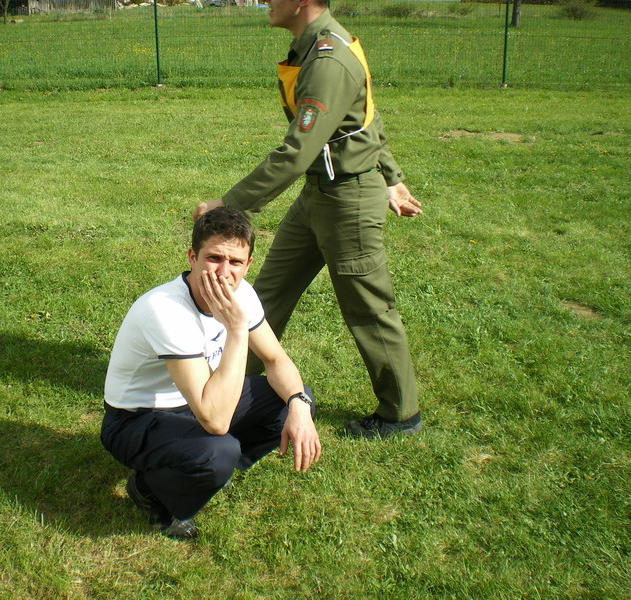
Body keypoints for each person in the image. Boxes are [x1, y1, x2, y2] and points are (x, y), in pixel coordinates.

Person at [192, 0, 422, 440]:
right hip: (318, 194)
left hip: (348, 201)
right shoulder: (314, 48)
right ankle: (229, 388)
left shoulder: (329, 59)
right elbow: (365, 117)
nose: (266, 1)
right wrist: (392, 177)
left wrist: (229, 206)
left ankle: (400, 413)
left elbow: (297, 152)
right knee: (267, 295)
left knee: (368, 309)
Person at [101, 207, 321, 540]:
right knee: (217, 450)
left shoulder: (242, 293)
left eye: (235, 262)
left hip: (198, 400)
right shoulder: (166, 311)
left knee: (292, 399)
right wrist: (237, 330)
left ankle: (209, 470)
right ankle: (150, 490)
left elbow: (276, 359)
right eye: (214, 258)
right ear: (192, 257)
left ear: (248, 265)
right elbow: (215, 420)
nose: (223, 272)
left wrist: (299, 404)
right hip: (137, 418)